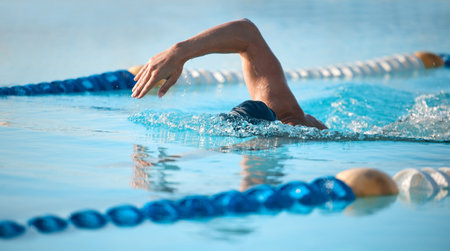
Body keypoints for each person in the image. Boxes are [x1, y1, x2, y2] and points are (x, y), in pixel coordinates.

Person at [131, 19, 327, 130]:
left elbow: (248, 32)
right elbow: (247, 33)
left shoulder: (291, 118)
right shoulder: (281, 107)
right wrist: (179, 51)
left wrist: (181, 51)